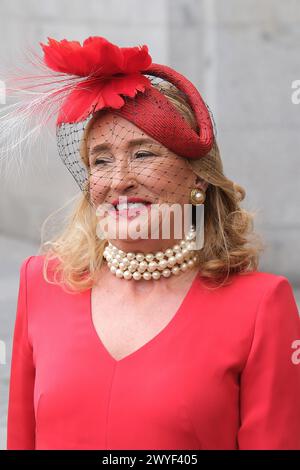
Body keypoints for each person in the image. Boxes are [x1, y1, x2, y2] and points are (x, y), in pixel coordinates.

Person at [5, 36, 300, 450]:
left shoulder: (261, 306)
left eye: (143, 155)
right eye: (101, 160)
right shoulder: (42, 283)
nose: (118, 180)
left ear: (198, 177)